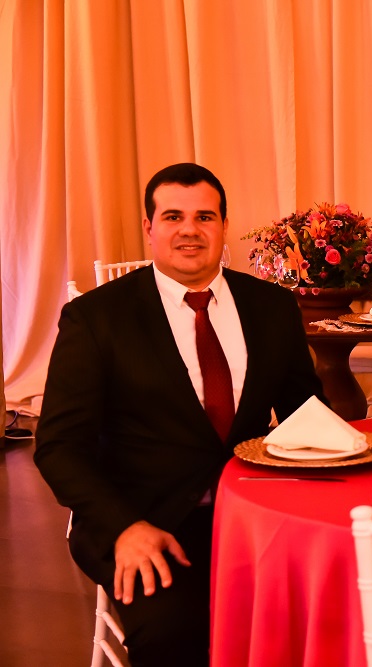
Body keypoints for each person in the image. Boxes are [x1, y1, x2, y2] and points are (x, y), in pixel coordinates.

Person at [34, 163, 324, 666]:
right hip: (144, 517)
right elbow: (60, 447)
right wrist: (123, 527)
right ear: (150, 228)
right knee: (173, 633)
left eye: (204, 217)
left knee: (328, 606)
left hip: (254, 517)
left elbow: (308, 416)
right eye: (173, 217)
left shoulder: (273, 307)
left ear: (224, 226)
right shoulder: (96, 317)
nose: (190, 230)